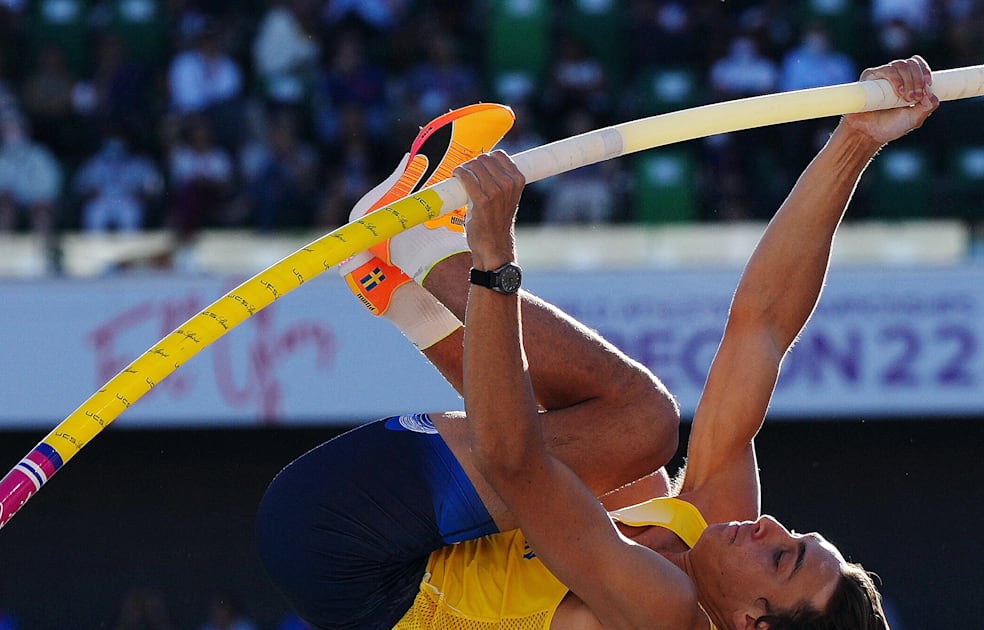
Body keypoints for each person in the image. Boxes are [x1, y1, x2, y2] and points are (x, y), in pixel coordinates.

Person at [260, 56, 938, 629]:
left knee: (640, 424)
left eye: (781, 559)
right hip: (416, 538)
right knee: (632, 468)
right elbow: (761, 325)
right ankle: (389, 276)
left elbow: (514, 461)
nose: (773, 530)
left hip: (346, 557)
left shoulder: (663, 611)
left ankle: (420, 250)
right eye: (799, 537)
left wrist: (492, 260)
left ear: (752, 624)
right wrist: (855, 143)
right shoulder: (719, 533)